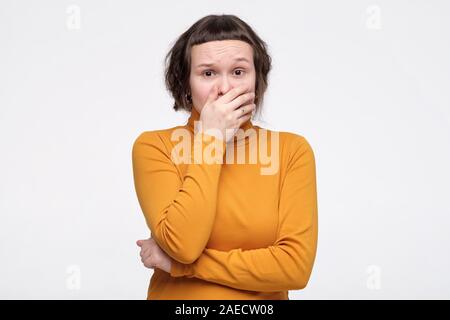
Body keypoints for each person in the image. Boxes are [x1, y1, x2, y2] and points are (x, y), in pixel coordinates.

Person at [132, 14, 318, 300]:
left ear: (257, 81)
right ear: (185, 84)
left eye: (239, 72)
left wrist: (179, 267)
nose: (224, 88)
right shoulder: (155, 147)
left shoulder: (291, 151)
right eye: (208, 73)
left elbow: (294, 268)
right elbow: (184, 245)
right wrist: (212, 139)